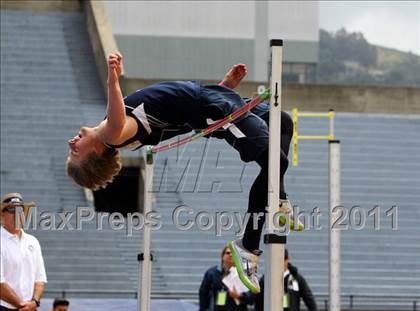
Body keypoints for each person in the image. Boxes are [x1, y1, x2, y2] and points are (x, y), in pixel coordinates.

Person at [66, 53, 299, 293]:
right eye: (75, 153)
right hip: (211, 107)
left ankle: (276, 198)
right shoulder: (112, 135)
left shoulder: (120, 134)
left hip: (211, 101)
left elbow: (178, 115)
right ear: (94, 156)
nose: (71, 143)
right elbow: (117, 125)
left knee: (280, 122)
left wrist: (222, 89)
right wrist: (112, 81)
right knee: (274, 160)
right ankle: (249, 245)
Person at [0, 193, 47, 311]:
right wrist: (23, 305)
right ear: (2, 214)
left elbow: (40, 279)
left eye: (20, 209)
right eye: (11, 210)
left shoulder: (33, 241)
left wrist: (34, 302)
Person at [229, 249, 318, 311]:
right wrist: (239, 295)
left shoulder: (297, 279)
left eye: (282, 259)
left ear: (287, 260)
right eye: (277, 260)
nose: (279, 263)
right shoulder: (267, 279)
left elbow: (309, 299)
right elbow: (253, 296)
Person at [199, 246, 248, 311]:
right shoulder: (212, 273)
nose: (230, 255)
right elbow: (203, 293)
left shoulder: (244, 274)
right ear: (222, 257)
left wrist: (239, 296)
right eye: (228, 253)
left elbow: (251, 296)